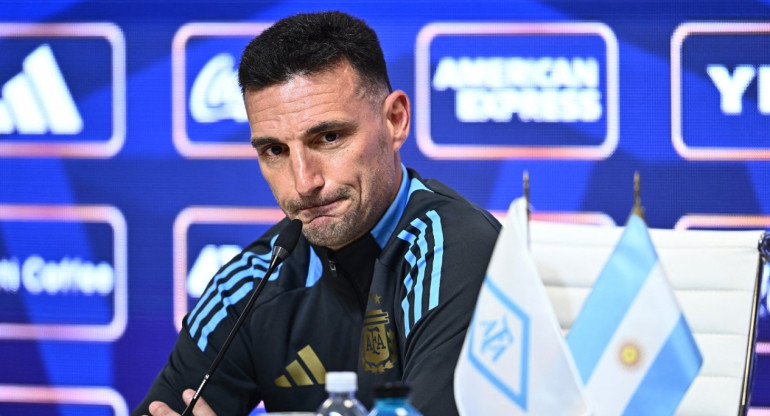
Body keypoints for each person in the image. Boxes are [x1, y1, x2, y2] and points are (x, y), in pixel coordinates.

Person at [134, 11, 500, 416]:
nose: (304, 183)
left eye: (328, 137)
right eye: (275, 150)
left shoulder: (454, 247)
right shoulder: (252, 280)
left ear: (395, 120)